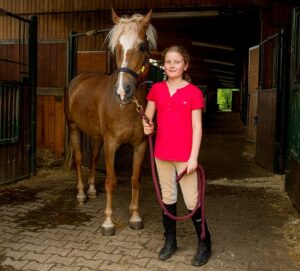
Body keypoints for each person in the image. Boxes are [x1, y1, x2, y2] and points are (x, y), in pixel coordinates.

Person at [142, 45, 211, 266]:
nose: (172, 65)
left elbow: (197, 127)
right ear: (164, 65)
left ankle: (204, 243)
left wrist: (194, 157)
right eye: (168, 61)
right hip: (161, 153)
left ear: (185, 65)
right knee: (167, 198)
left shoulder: (193, 92)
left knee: (192, 201)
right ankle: (170, 241)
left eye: (177, 61)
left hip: (184, 156)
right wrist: (146, 125)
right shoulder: (156, 90)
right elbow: (148, 117)